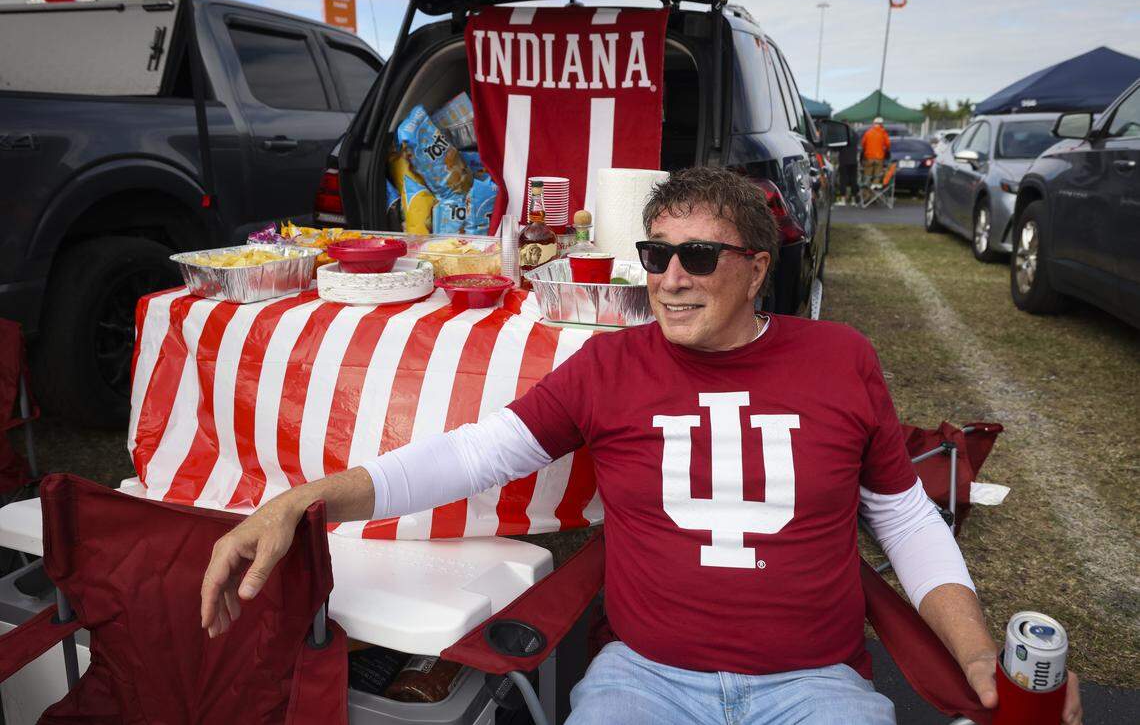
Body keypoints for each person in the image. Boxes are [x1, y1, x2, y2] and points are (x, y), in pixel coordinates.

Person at [201, 167, 1082, 725]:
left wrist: (974, 655)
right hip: (644, 681)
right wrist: (304, 500)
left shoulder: (840, 358)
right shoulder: (607, 365)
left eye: (699, 256)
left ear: (757, 267)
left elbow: (903, 518)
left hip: (816, 684)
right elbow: (472, 456)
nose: (669, 278)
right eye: (656, 254)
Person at [861, 116, 891, 189]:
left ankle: (867, 188)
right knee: (877, 174)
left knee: (868, 173)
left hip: (868, 157)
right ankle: (875, 187)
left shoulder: (868, 132)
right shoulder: (883, 133)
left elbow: (863, 144)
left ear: (873, 123)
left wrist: (866, 151)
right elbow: (888, 144)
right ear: (881, 124)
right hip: (879, 157)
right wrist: (886, 150)